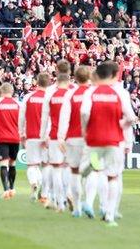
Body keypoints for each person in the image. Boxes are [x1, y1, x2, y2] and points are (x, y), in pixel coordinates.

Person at [79, 61, 136, 227]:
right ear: (113, 75)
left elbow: (84, 112)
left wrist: (85, 128)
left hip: (94, 139)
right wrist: (120, 124)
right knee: (113, 176)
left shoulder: (91, 91)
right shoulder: (120, 92)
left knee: (91, 170)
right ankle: (109, 214)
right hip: (113, 140)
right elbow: (131, 118)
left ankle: (88, 170)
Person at [58, 65, 91, 217]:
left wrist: (61, 137)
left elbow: (64, 118)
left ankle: (77, 207)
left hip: (73, 138)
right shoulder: (93, 93)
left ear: (75, 78)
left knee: (74, 171)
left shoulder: (70, 95)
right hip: (92, 139)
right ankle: (89, 202)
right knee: (93, 172)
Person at [41, 67, 72, 212]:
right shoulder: (73, 94)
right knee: (69, 168)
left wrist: (43, 136)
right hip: (71, 136)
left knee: (56, 169)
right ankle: (68, 194)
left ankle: (58, 201)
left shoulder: (51, 94)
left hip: (54, 136)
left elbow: (45, 118)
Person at [18, 73, 50, 202]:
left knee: (32, 165)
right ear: (48, 83)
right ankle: (45, 194)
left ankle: (34, 183)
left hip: (31, 135)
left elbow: (21, 116)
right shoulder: (50, 97)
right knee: (46, 165)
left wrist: (22, 133)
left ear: (36, 82)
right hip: (46, 136)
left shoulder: (28, 97)